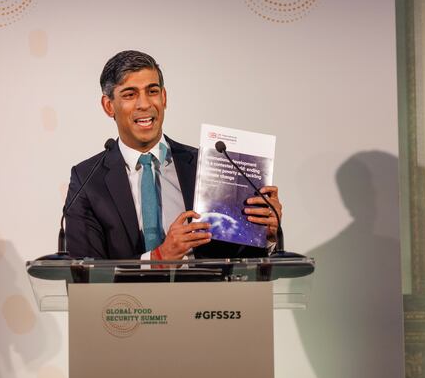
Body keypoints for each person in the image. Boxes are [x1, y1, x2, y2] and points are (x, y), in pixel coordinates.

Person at [64, 50, 282, 260]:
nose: (145, 104)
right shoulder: (87, 181)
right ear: (109, 105)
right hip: (126, 299)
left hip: (206, 298)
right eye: (130, 94)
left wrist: (266, 235)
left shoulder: (207, 165)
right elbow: (85, 272)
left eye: (152, 91)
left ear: (164, 97)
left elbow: (238, 260)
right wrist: (158, 258)